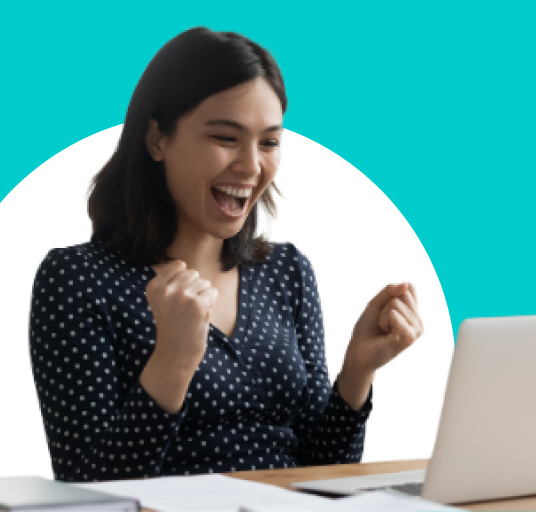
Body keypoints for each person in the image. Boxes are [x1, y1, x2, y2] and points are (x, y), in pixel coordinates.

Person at [28, 27, 423, 483]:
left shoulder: (286, 271)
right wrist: (173, 360)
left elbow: (324, 469)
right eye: (225, 137)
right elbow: (85, 491)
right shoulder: (78, 280)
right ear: (157, 139)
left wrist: (358, 370)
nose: (252, 165)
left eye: (269, 142)